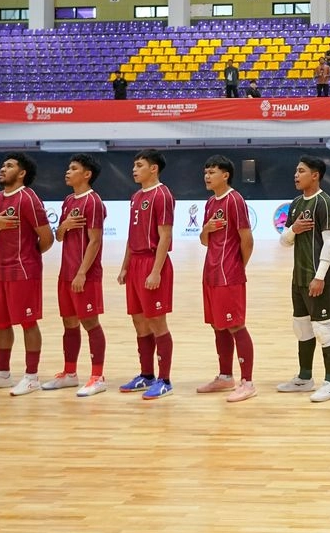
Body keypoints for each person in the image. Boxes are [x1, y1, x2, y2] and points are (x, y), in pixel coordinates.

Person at [0, 153, 54, 394]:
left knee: (28, 322)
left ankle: (31, 377)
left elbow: (47, 238)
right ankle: (2, 374)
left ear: (21, 173)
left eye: (9, 166)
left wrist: (28, 258)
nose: (2, 168)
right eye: (2, 164)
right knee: (1, 323)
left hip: (24, 272)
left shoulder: (28, 198)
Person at [41, 154, 108, 397]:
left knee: (90, 323)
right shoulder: (69, 200)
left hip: (85, 275)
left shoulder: (94, 202)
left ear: (87, 174)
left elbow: (95, 241)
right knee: (68, 323)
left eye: (73, 168)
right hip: (66, 273)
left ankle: (97, 377)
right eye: (68, 168)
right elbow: (59, 236)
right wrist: (64, 225)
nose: (67, 172)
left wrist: (82, 273)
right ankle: (70, 373)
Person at [277, 156, 330, 402]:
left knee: (323, 329)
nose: (296, 175)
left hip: (318, 277)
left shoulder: (324, 203)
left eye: (301, 171)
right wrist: (294, 229)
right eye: (296, 170)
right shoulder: (295, 203)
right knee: (301, 327)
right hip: (299, 277)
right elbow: (284, 241)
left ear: (315, 175)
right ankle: (304, 378)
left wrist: (320, 277)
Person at [192, 156, 256, 403]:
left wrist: (237, 267)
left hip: (229, 275)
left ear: (225, 175)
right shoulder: (210, 202)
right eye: (205, 172)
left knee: (236, 325)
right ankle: (225, 376)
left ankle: (247, 382)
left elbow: (247, 239)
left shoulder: (235, 200)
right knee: (218, 325)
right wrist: (206, 229)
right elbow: (204, 241)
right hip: (210, 274)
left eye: (212, 172)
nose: (207, 176)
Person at [116, 149, 177, 401]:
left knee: (157, 322)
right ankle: (147, 375)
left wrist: (155, 271)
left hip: (153, 263)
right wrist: (124, 266)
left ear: (154, 168)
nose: (134, 169)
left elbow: (165, 236)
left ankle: (165, 380)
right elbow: (132, 235)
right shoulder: (135, 197)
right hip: (136, 263)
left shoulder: (162, 195)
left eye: (139, 165)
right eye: (134, 165)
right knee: (139, 322)